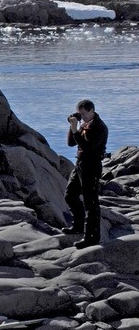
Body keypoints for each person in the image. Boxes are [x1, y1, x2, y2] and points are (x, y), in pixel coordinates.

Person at [63, 99, 108, 248]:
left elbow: (86, 146)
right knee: (70, 195)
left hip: (92, 166)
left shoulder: (99, 127)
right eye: (79, 113)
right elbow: (71, 143)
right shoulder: (84, 124)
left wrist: (76, 129)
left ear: (91, 111)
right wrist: (72, 126)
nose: (81, 116)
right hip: (80, 165)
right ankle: (78, 226)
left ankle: (92, 237)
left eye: (83, 113)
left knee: (91, 202)